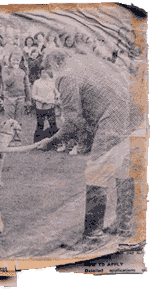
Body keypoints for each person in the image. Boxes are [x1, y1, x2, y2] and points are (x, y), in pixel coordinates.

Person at [37, 49, 137, 251]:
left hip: (114, 115)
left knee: (96, 172)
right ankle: (124, 225)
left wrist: (52, 141)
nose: (49, 75)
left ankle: (93, 237)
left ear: (55, 64)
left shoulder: (65, 75)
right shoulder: (83, 63)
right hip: (130, 110)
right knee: (123, 169)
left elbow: (73, 121)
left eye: (49, 70)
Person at [2, 50, 30, 124]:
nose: (15, 61)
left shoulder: (23, 70)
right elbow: (7, 83)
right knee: (9, 120)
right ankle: (8, 134)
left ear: (21, 60)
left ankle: (17, 134)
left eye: (18, 60)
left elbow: (27, 85)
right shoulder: (5, 69)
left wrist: (28, 99)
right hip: (9, 97)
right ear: (10, 59)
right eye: (14, 59)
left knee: (18, 119)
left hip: (21, 97)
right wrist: (14, 72)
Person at [31, 70, 58, 143]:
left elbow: (56, 92)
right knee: (40, 124)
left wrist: (55, 98)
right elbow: (33, 95)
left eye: (46, 72)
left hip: (50, 107)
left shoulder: (52, 82)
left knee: (53, 124)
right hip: (40, 107)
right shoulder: (37, 82)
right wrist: (41, 100)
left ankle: (54, 141)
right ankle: (37, 141)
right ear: (40, 73)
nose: (44, 74)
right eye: (43, 72)